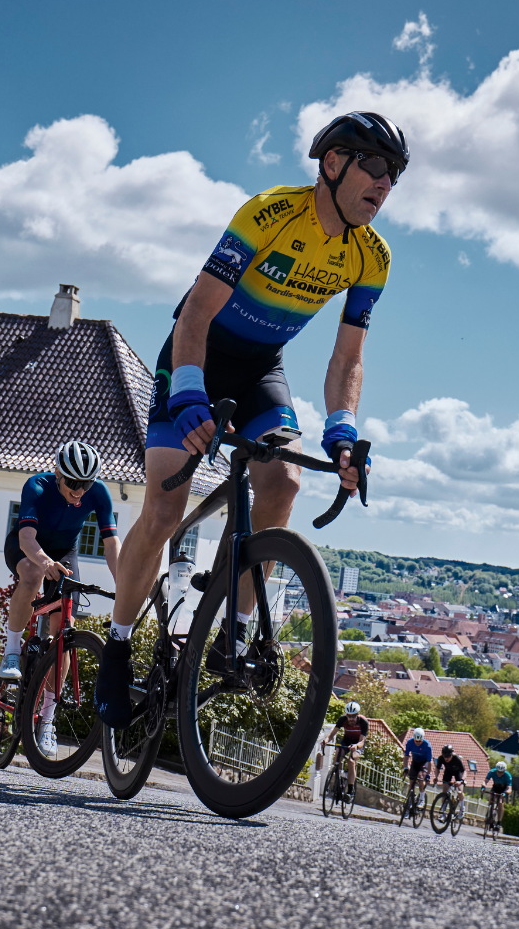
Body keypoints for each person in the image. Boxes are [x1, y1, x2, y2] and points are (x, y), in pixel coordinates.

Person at [94, 113, 406, 727]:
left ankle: (231, 636)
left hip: (261, 368)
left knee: (283, 482)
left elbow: (348, 357)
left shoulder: (372, 256)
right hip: (198, 353)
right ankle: (119, 646)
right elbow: (196, 313)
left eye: (393, 173)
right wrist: (188, 393)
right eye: (373, 165)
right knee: (164, 510)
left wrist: (342, 430)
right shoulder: (269, 213)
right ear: (332, 164)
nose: (384, 182)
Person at [0, 440, 120, 756]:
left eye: (86, 484)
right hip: (28, 548)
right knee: (32, 574)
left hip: (65, 552)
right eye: (73, 483)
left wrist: (124, 584)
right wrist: (44, 562)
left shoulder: (99, 493)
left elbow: (111, 545)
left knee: (64, 630)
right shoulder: (37, 486)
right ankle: (12, 650)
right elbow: (26, 537)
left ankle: (48, 719)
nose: (80, 491)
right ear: (57, 474)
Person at [333, 701, 369, 796]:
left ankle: (350, 791)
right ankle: (338, 780)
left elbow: (362, 742)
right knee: (338, 753)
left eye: (353, 716)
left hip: (358, 743)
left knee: (351, 761)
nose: (351, 718)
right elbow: (332, 734)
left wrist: (356, 746)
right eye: (349, 716)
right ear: (346, 714)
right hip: (346, 741)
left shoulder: (363, 722)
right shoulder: (342, 719)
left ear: (358, 714)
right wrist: (325, 741)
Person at [401, 727, 433, 812]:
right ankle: (411, 798)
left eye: (420, 741)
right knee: (411, 782)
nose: (418, 743)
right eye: (416, 741)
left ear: (422, 739)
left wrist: (428, 775)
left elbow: (430, 762)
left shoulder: (427, 745)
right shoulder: (410, 742)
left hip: (424, 763)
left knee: (421, 777)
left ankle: (421, 799)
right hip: (415, 762)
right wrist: (405, 768)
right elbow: (406, 757)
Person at [484, 759, 514, 826]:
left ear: (504, 771)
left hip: (503, 790)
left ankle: (499, 822)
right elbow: (485, 781)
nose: (499, 773)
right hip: (495, 787)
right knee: (491, 797)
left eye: (501, 772)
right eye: (498, 772)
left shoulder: (508, 775)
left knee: (500, 802)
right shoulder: (492, 771)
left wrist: (505, 793)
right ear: (496, 770)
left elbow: (509, 789)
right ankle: (489, 813)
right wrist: (483, 786)